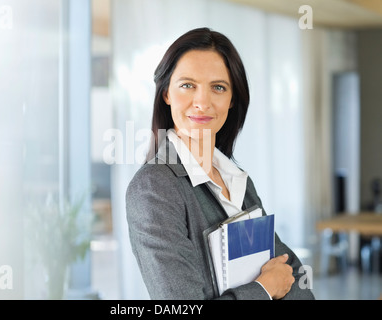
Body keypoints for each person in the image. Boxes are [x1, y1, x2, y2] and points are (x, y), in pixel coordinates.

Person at [126, 27, 315, 300]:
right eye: (188, 85)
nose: (202, 102)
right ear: (166, 93)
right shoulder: (154, 189)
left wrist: (275, 284)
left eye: (218, 87)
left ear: (231, 98)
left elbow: (292, 274)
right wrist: (264, 289)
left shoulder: (237, 180)